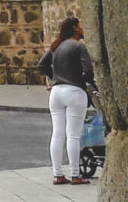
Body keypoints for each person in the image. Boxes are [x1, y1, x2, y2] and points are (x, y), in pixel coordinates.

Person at [39, 14, 96, 185]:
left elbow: (41, 65)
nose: (83, 28)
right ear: (75, 28)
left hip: (56, 92)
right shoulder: (78, 46)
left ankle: (57, 174)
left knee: (57, 134)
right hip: (74, 92)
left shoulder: (56, 47)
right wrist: (84, 81)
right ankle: (75, 175)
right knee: (73, 135)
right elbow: (89, 70)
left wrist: (55, 76)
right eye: (81, 25)